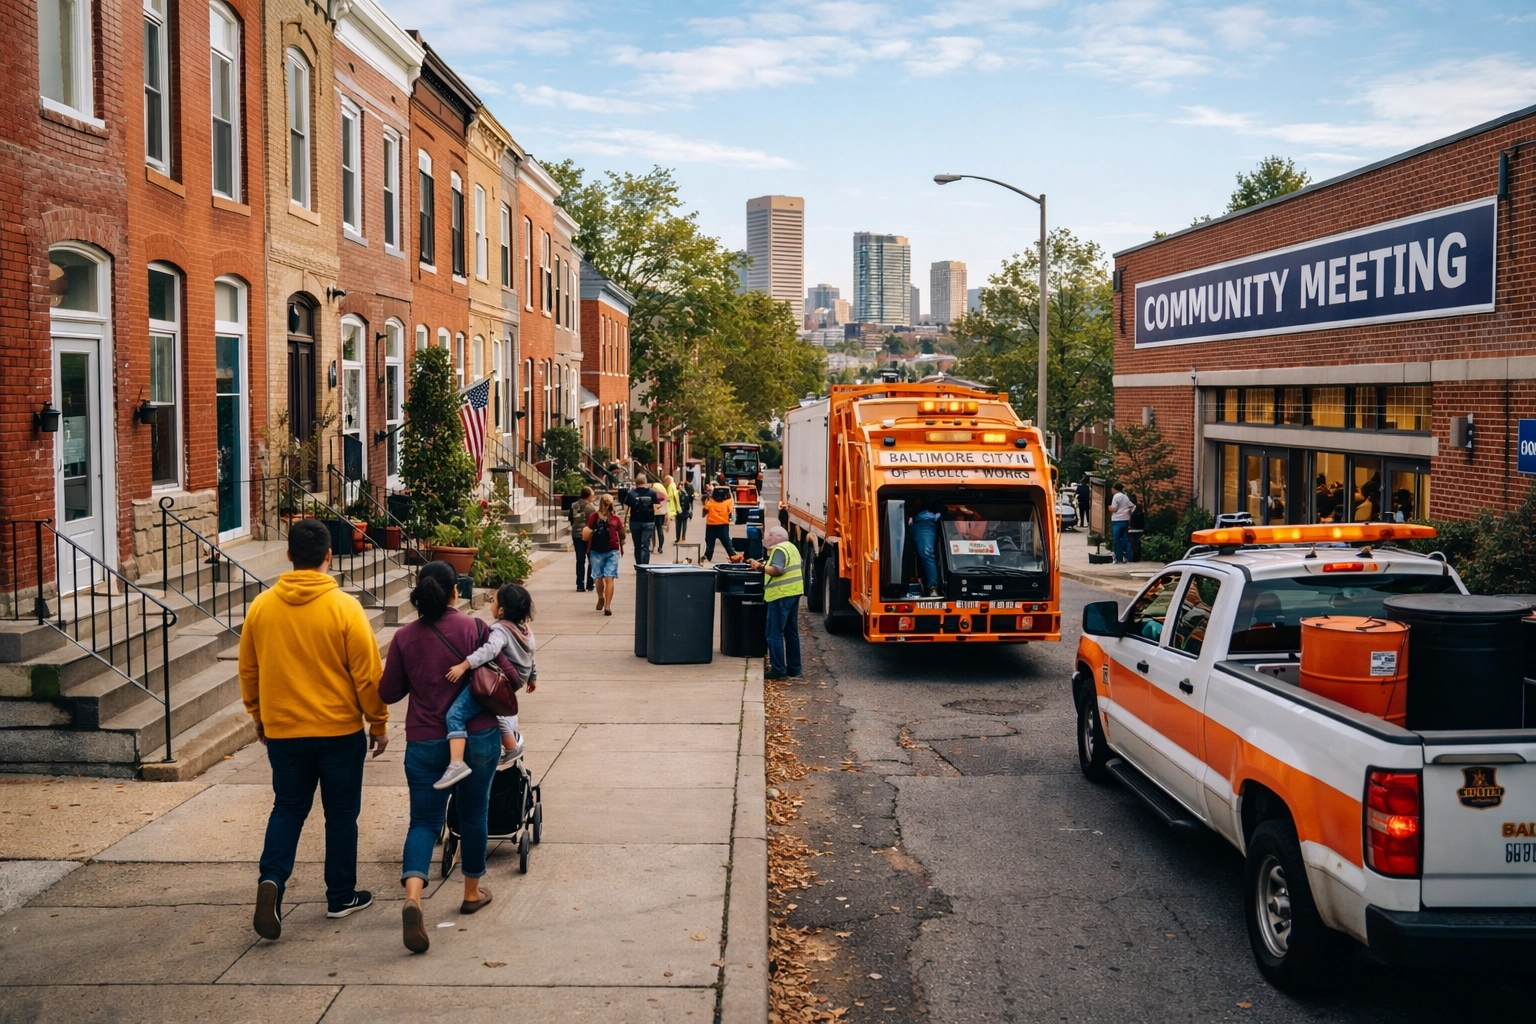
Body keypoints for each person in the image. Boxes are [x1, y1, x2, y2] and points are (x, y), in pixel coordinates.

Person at [240, 518, 387, 941]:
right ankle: (340, 895)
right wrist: (377, 723)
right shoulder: (345, 608)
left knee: (287, 808)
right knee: (341, 815)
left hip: (285, 732)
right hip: (339, 732)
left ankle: (272, 881)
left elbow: (249, 669)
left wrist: (258, 715)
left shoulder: (262, 607)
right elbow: (367, 675)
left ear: (288, 556)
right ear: (328, 556)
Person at [379, 562, 503, 953]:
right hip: (479, 737)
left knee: (424, 822)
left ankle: (413, 896)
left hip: (423, 741)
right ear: (454, 592)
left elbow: (389, 693)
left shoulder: (403, 638)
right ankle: (471, 891)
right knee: (474, 814)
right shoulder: (476, 629)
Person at [439, 581, 538, 788]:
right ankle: (512, 746)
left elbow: (489, 651)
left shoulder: (500, 630)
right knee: (498, 711)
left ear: (501, 610)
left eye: (493, 601)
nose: (491, 604)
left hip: (500, 680)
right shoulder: (526, 630)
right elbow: (530, 653)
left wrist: (464, 665)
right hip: (519, 676)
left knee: (456, 714)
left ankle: (456, 763)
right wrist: (532, 676)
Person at [751, 525, 803, 680]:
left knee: (774, 634)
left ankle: (778, 669)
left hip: (780, 595)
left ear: (774, 538)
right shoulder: (791, 547)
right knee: (791, 632)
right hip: (794, 592)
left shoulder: (779, 550)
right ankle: (795, 669)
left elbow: (778, 569)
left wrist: (759, 567)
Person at [584, 493, 625, 614]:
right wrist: (621, 546)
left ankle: (601, 598)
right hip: (613, 550)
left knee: (598, 577)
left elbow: (587, 532)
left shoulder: (594, 517)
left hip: (596, 550)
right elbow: (622, 535)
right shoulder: (616, 519)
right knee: (610, 578)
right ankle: (607, 606)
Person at [909, 499, 944, 597]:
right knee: (922, 554)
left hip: (923, 518)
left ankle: (933, 586)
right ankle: (929, 585)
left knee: (925, 552)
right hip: (922, 517)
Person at [622, 473, 657, 564]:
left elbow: (625, 509)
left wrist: (623, 522)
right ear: (645, 481)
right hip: (648, 522)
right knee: (645, 545)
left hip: (635, 522)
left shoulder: (631, 494)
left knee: (637, 546)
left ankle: (639, 565)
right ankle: (645, 566)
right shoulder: (652, 493)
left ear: (636, 482)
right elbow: (657, 507)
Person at [569, 487, 597, 592]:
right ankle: (590, 583)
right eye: (592, 494)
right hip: (588, 535)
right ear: (588, 495)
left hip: (576, 534)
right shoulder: (591, 508)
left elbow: (571, 519)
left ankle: (580, 584)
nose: (594, 496)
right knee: (591, 559)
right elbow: (594, 522)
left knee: (580, 560)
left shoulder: (573, 505)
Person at [703, 485, 735, 561]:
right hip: (723, 526)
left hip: (711, 526)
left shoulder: (710, 501)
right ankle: (734, 559)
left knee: (710, 547)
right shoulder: (728, 501)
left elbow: (704, 511)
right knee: (728, 546)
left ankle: (706, 559)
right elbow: (731, 511)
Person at [1109, 483, 1135, 564]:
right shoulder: (1125, 496)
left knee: (1117, 540)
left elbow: (1114, 509)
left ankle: (1119, 558)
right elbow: (1132, 506)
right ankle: (1129, 558)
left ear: (1114, 488)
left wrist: (1109, 508)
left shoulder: (1116, 496)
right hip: (1125, 519)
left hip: (1117, 520)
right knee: (1125, 539)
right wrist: (1129, 514)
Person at [653, 477, 671, 553]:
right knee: (659, 528)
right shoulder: (663, 490)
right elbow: (668, 499)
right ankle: (660, 547)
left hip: (654, 509)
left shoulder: (653, 488)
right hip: (662, 510)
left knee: (652, 528)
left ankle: (653, 546)